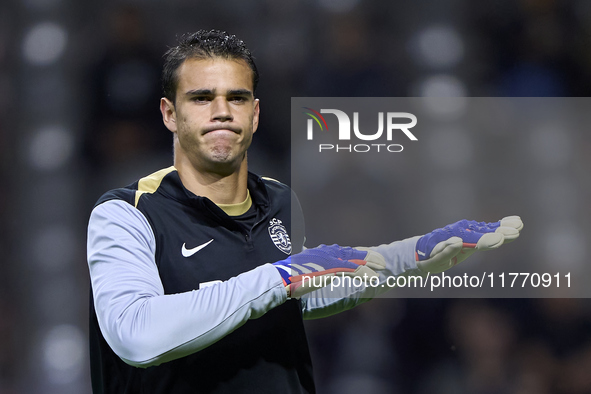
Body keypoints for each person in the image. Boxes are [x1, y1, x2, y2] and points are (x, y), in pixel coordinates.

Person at [87, 29, 523, 393]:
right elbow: (137, 335)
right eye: (202, 98)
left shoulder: (278, 201)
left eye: (236, 98)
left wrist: (410, 257)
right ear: (169, 113)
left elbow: (304, 292)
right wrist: (279, 278)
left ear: (255, 115)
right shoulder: (126, 214)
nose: (222, 112)